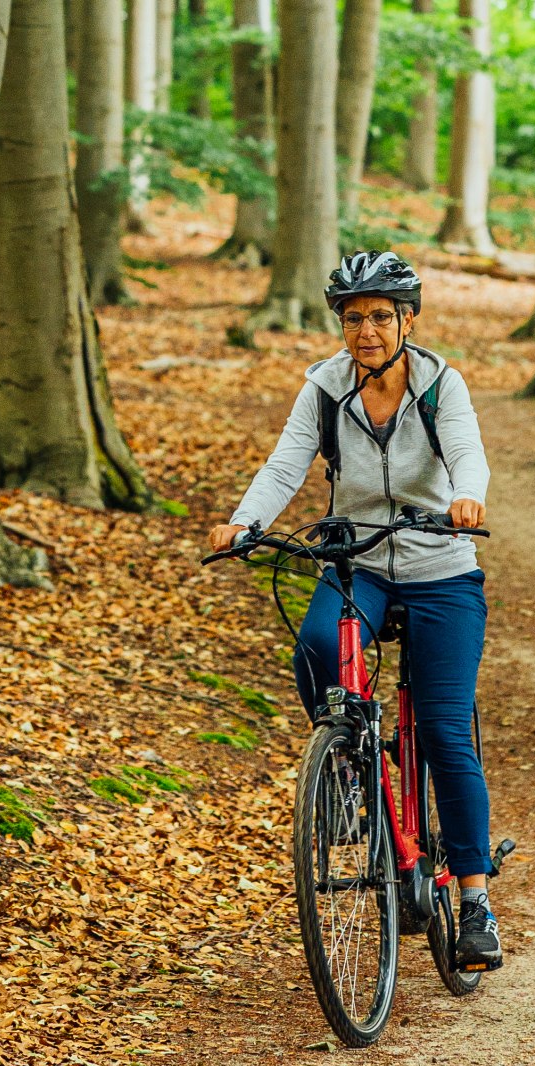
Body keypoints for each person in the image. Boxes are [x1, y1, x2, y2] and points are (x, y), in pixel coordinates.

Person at [208, 251, 503, 969]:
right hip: (362, 562)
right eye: (352, 318)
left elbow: (468, 452)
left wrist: (466, 496)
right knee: (314, 647)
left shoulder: (441, 384)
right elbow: (286, 463)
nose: (365, 330)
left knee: (442, 731)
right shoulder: (324, 387)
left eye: (379, 316)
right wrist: (246, 520)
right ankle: (346, 764)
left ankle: (473, 903)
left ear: (407, 319)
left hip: (440, 570)